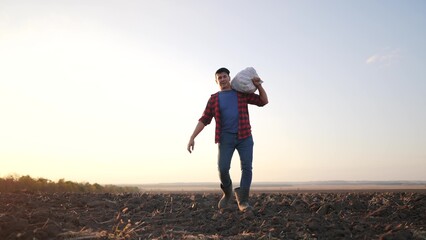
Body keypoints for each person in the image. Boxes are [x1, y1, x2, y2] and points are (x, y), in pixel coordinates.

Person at [187, 67, 268, 212]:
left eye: (225, 76)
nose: (223, 79)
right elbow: (204, 119)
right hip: (225, 139)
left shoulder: (241, 94)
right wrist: (192, 137)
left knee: (247, 168)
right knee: (223, 168)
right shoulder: (214, 99)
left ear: (229, 78)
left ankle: (243, 201)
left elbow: (263, 101)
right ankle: (228, 191)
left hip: (245, 137)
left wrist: (258, 85)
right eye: (220, 78)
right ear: (216, 81)